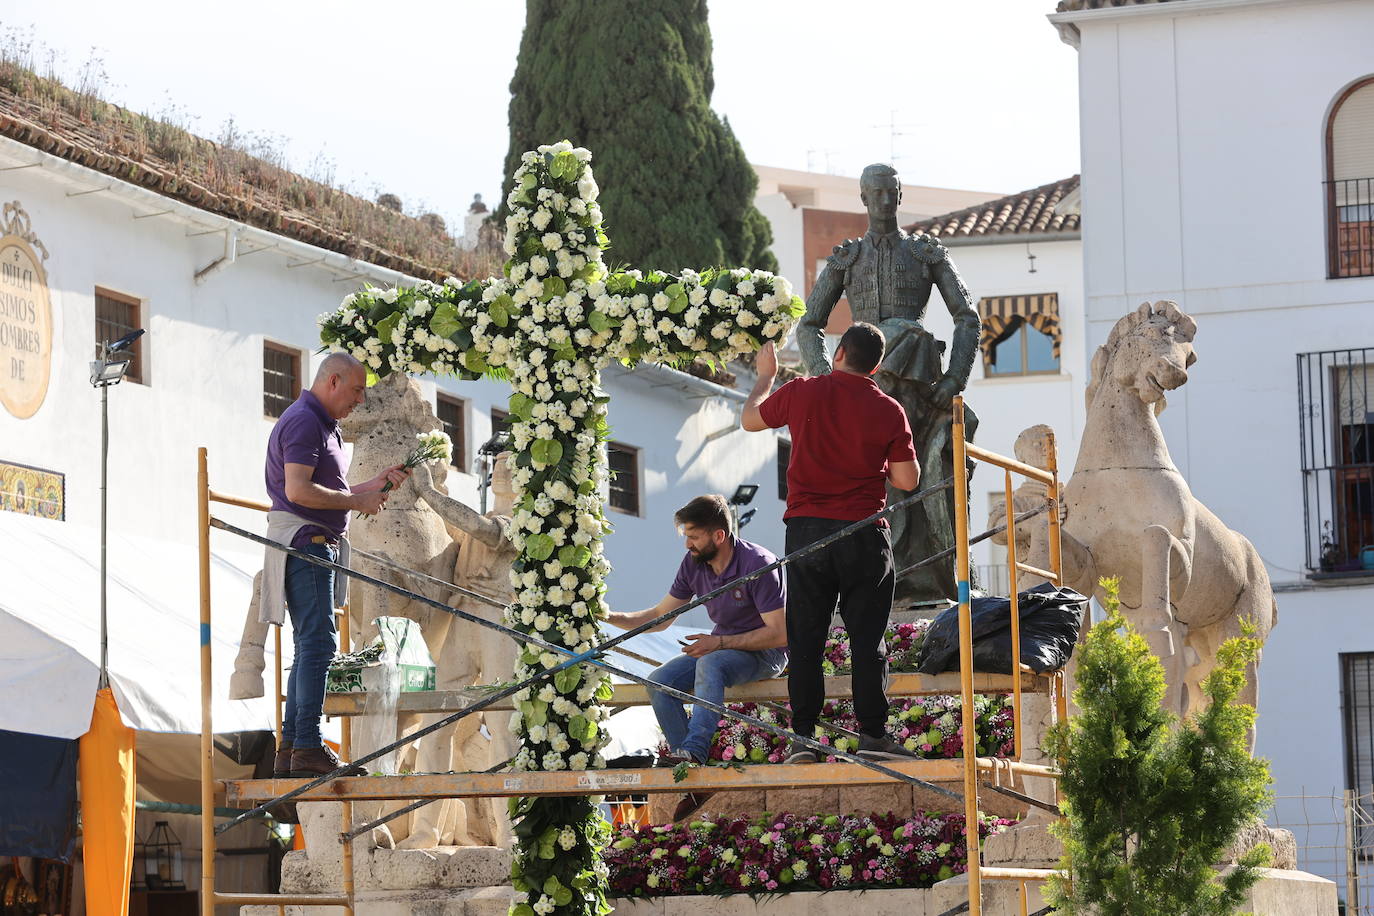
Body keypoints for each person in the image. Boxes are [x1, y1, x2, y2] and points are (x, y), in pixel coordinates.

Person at [797, 162, 980, 605]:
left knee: (904, 333)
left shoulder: (925, 254)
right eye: (875, 193)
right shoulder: (847, 258)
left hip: (918, 383)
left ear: (900, 197)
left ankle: (919, 571)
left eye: (891, 193)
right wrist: (827, 379)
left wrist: (954, 378)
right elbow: (809, 325)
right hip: (861, 382)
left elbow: (966, 317)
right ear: (863, 197)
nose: (883, 200)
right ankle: (879, 566)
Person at [742, 326, 920, 762]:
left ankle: (803, 739)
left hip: (806, 533)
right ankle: (873, 736)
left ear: (838, 352)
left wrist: (766, 376)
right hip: (863, 534)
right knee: (867, 640)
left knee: (806, 639)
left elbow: (750, 420)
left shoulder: (802, 390)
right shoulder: (889, 409)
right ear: (876, 366)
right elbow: (907, 480)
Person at [262, 352, 408, 777]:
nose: (360, 400)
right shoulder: (307, 420)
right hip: (306, 543)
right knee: (318, 644)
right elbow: (299, 490)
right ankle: (305, 744)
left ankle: (293, 747)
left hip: (313, 542)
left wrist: (372, 485)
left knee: (311, 644)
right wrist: (355, 500)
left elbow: (327, 492)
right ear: (333, 381)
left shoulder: (322, 424)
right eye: (358, 390)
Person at [606, 494, 787, 820]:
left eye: (693, 536)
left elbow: (780, 633)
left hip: (765, 652)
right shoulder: (693, 563)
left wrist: (718, 642)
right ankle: (692, 776)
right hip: (721, 647)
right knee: (659, 682)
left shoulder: (758, 563)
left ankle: (695, 753)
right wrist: (607, 615)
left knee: (710, 662)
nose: (687, 544)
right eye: (686, 536)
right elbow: (661, 617)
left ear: (719, 535)